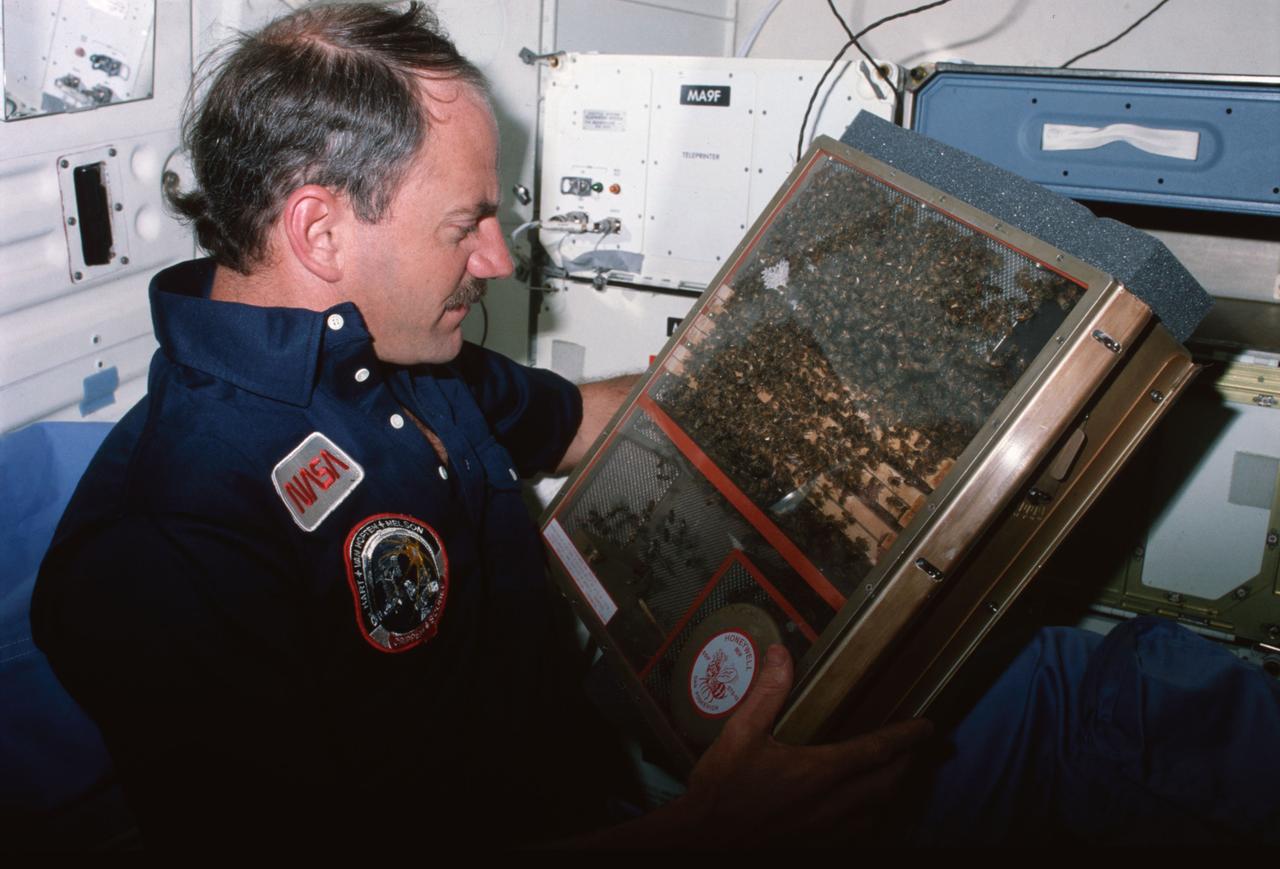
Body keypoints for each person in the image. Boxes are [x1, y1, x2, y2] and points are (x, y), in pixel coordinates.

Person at [31, 3, 931, 849]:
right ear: (320, 231)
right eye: (468, 224)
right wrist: (706, 835)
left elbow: (581, 417)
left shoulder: (392, 356)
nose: (499, 260)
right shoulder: (168, 534)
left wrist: (786, 369)